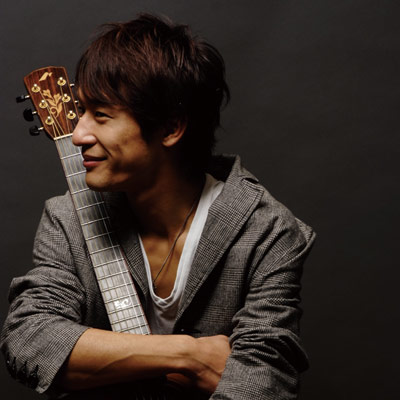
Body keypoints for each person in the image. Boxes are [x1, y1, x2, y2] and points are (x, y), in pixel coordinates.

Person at [1, 14, 315, 400]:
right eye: (80, 111)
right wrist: (188, 355)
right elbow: (30, 339)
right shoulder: (67, 219)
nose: (78, 133)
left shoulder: (266, 232)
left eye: (101, 116)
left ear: (169, 128)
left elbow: (265, 381)